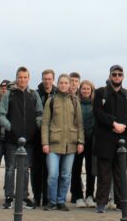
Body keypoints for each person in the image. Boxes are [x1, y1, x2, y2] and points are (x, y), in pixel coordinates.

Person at [0, 67, 44, 210]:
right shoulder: (9, 95)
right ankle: (9, 197)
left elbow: (40, 114)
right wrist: (11, 127)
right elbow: (0, 115)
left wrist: (35, 128)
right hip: (12, 139)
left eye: (25, 77)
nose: (22, 80)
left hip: (29, 140)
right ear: (17, 78)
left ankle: (23, 196)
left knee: (25, 169)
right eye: (20, 77)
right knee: (10, 168)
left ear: (28, 78)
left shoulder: (33, 95)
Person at [93, 65, 127, 213]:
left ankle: (121, 202)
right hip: (105, 139)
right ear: (110, 76)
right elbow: (98, 113)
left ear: (123, 76)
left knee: (121, 174)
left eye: (119, 74)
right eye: (114, 74)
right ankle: (101, 202)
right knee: (104, 174)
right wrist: (113, 123)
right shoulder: (101, 93)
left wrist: (123, 126)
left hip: (123, 140)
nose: (117, 77)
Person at [42, 73, 84, 211]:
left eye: (66, 83)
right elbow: (45, 124)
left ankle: (61, 201)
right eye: (61, 83)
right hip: (54, 144)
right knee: (53, 174)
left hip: (70, 144)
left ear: (69, 85)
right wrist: (45, 143)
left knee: (66, 175)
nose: (64, 85)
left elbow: (79, 123)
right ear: (58, 84)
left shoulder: (74, 101)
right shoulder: (51, 101)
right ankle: (52, 201)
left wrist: (80, 142)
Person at [70, 79, 96, 208]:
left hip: (92, 140)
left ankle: (90, 195)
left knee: (91, 169)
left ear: (91, 91)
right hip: (77, 140)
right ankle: (78, 196)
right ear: (80, 90)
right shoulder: (75, 103)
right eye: (83, 89)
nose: (85, 91)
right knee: (76, 169)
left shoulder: (95, 104)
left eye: (88, 89)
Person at [33, 69, 56, 206]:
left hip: (52, 137)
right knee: (36, 169)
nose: (47, 81)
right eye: (45, 79)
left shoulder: (58, 94)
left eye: (49, 79)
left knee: (50, 169)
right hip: (37, 136)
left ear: (53, 79)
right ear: (42, 79)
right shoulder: (35, 94)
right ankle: (37, 196)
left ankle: (47, 197)